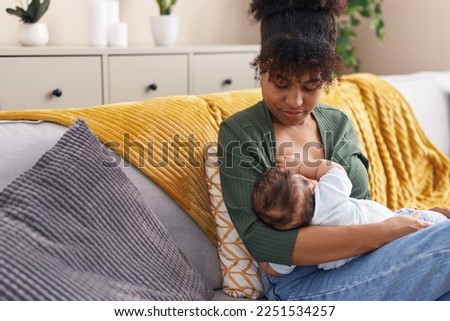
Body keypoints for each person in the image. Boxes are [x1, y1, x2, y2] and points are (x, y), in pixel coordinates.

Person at [217, 0, 450, 300]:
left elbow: (358, 208)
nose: (295, 101)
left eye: (311, 85)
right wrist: (394, 231)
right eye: (281, 83)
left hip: (366, 258)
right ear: (262, 69)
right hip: (301, 283)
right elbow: (267, 248)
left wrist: (415, 223)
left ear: (325, 79)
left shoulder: (337, 123)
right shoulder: (242, 134)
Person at [252, 158, 448, 272]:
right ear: (310, 186)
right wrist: (302, 165)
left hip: (363, 263)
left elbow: (276, 268)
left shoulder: (304, 237)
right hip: (402, 225)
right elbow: (334, 169)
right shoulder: (329, 195)